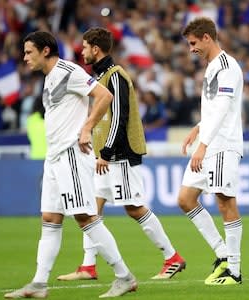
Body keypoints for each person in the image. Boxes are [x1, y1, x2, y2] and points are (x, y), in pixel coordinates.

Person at [5, 31, 137, 298]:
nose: (24, 57)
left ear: (45, 51)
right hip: (54, 158)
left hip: (71, 156)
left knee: (85, 217)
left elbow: (104, 96)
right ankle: (39, 284)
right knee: (50, 218)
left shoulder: (69, 70)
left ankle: (125, 276)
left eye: (29, 51)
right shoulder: (50, 78)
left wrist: (87, 127)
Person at [56, 27, 185, 282]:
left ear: (96, 48)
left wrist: (106, 152)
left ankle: (172, 257)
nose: (81, 51)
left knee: (134, 208)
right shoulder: (101, 76)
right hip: (105, 156)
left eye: (84, 47)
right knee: (92, 207)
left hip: (120, 155)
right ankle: (88, 266)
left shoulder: (115, 76)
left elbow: (120, 117)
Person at [178, 17, 243, 285]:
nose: (191, 48)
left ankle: (235, 271)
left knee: (225, 202)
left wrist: (202, 146)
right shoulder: (211, 67)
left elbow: (225, 108)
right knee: (186, 199)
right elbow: (214, 109)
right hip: (210, 141)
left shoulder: (227, 67)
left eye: (193, 43)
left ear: (207, 37)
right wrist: (198, 127)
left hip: (222, 145)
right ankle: (222, 253)